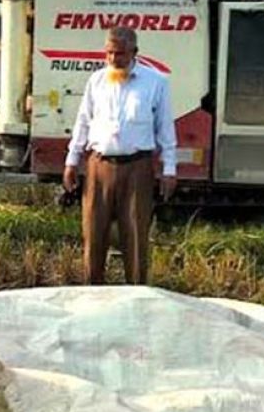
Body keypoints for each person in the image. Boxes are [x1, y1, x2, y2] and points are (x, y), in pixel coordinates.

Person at [62, 27, 177, 285]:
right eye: (109, 53)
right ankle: (93, 292)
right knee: (94, 234)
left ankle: (135, 294)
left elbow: (165, 128)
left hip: (137, 168)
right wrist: (72, 161)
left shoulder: (156, 82)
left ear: (134, 53)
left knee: (135, 235)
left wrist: (170, 169)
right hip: (98, 167)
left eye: (120, 54)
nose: (114, 59)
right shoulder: (97, 81)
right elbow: (83, 122)